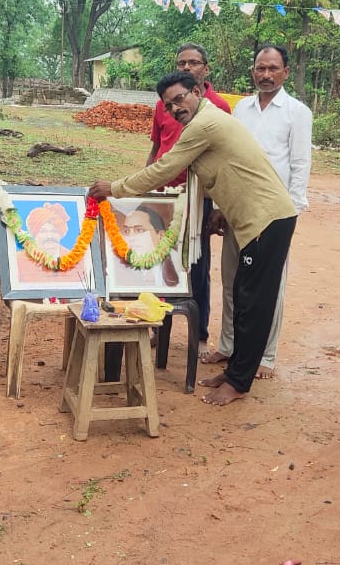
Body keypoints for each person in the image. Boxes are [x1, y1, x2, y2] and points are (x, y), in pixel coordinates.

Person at [90, 71, 296, 406]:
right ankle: (234, 372)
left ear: (197, 91)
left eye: (180, 98)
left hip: (267, 220)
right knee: (243, 300)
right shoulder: (203, 123)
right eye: (168, 105)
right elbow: (220, 170)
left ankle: (240, 381)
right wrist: (220, 210)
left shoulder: (205, 124)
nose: (175, 108)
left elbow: (165, 168)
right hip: (249, 218)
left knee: (254, 304)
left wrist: (113, 188)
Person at [201, 44, 311, 379]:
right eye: (260, 69)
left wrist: (290, 215)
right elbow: (228, 158)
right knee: (232, 278)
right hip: (238, 207)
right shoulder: (241, 110)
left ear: (285, 72)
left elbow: (300, 165)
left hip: (273, 213)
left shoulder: (297, 112)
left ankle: (265, 354)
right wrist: (220, 205)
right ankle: (228, 343)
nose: (266, 75)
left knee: (268, 287)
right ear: (253, 71)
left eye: (273, 69)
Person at [148, 43, 231, 345]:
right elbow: (157, 148)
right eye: (181, 62)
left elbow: (222, 160)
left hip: (198, 196)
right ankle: (157, 325)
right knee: (158, 258)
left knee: (196, 263)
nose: (186, 67)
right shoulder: (163, 104)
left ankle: (198, 332)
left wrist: (217, 203)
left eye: (193, 63)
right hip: (163, 194)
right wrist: (147, 188)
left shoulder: (218, 107)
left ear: (205, 69)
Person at [111, 202, 181, 289]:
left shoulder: (178, 262)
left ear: (161, 236)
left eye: (139, 230)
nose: (131, 238)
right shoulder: (116, 266)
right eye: (127, 231)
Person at [14, 202, 73, 284]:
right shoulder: (18, 260)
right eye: (43, 231)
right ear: (34, 234)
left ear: (60, 233)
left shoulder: (73, 260)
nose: (49, 236)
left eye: (54, 231)